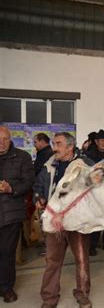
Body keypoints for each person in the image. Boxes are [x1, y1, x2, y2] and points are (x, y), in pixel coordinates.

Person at [33, 132, 93, 308]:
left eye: (58, 144)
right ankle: (49, 298)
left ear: (70, 147)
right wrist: (39, 197)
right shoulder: (49, 165)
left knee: (82, 259)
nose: (54, 148)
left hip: (77, 221)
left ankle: (82, 293)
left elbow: (95, 189)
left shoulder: (85, 165)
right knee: (52, 260)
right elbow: (38, 185)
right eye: (53, 143)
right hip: (55, 221)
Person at [0, 126, 35, 303]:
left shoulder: (22, 157)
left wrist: (11, 188)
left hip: (10, 213)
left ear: (10, 139)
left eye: (5, 139)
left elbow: (29, 182)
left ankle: (7, 288)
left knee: (7, 253)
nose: (1, 142)